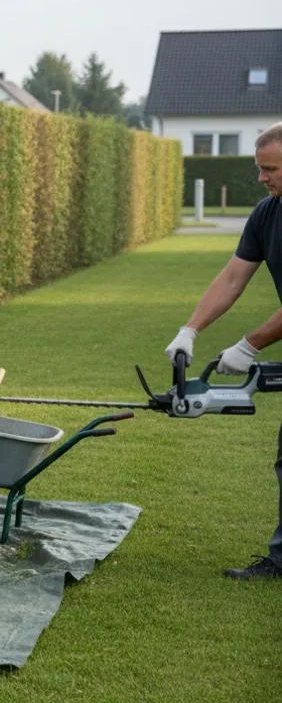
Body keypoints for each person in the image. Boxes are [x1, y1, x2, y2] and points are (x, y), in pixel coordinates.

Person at [165, 121, 282, 580]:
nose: (261, 178)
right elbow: (234, 277)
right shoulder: (267, 214)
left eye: (270, 169)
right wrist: (189, 329)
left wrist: (249, 344)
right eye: (259, 168)